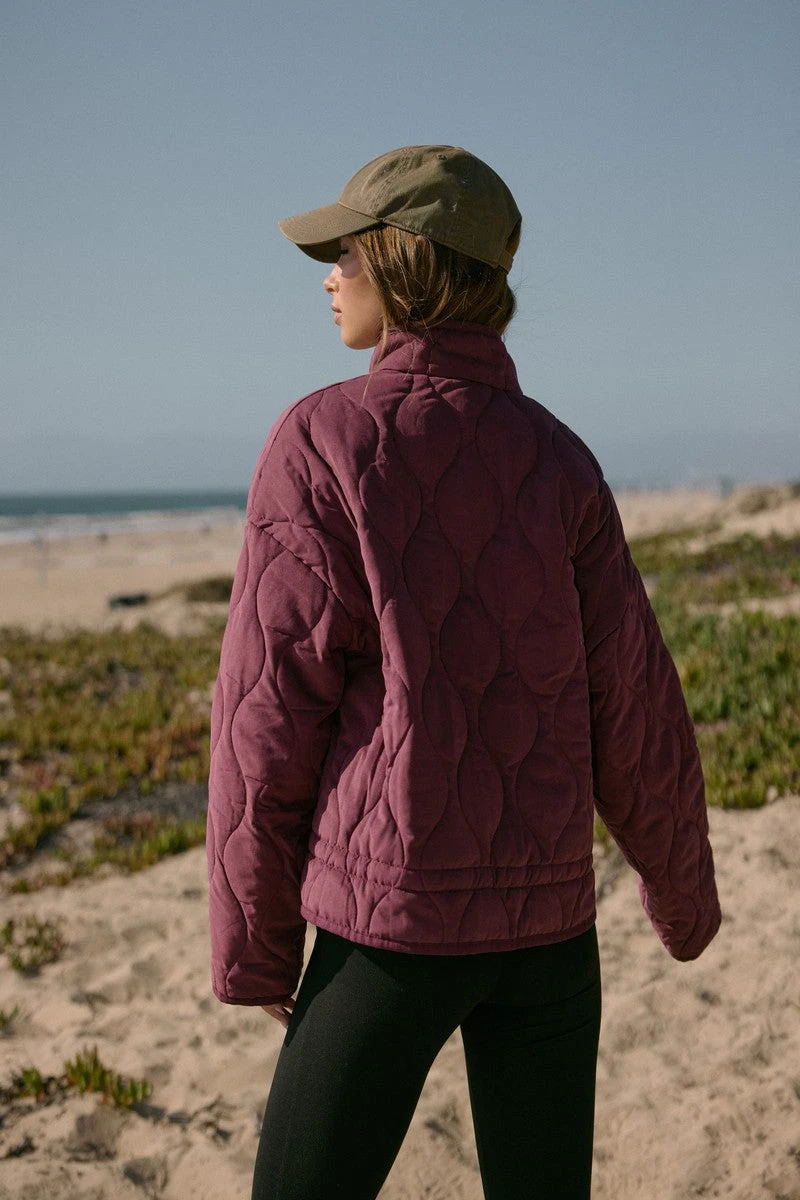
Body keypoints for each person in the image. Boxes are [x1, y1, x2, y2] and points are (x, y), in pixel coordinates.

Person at [206, 145, 721, 1200]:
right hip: (549, 940)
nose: (329, 278)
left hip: (388, 934)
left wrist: (256, 943)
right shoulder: (559, 456)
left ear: (404, 264)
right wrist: (682, 894)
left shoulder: (322, 440)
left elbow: (268, 713)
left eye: (347, 254)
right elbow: (633, 701)